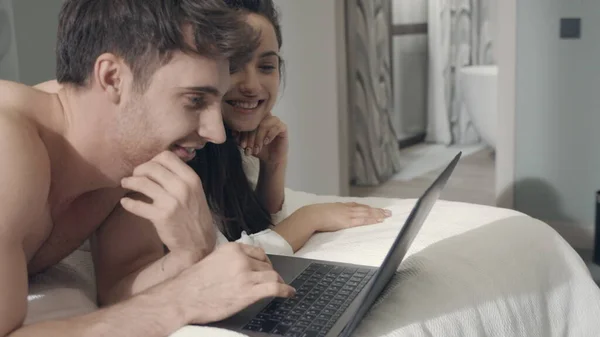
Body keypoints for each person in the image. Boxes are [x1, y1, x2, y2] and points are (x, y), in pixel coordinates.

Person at [0, 1, 295, 336]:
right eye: (195, 100)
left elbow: (119, 290)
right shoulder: (8, 149)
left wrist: (189, 254)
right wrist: (178, 302)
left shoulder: (128, 157)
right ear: (112, 78)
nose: (216, 132)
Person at [190, 0, 393, 254]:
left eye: (266, 67)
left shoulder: (235, 140)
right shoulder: (186, 150)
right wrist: (310, 218)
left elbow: (257, 228)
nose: (252, 86)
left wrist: (273, 165)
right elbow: (223, 266)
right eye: (233, 67)